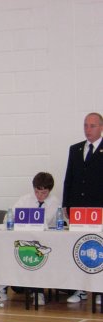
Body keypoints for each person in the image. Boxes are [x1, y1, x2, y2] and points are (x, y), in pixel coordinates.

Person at [0, 172, 60, 306]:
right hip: (24, 240)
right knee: (4, 253)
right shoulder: (25, 199)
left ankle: (38, 292)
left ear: (50, 190)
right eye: (37, 192)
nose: (40, 196)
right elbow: (8, 217)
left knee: (37, 257)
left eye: (44, 193)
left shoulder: (55, 202)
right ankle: (1, 291)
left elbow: (48, 224)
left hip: (44, 242)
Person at [62, 112, 103, 305]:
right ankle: (80, 289)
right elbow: (69, 178)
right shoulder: (75, 149)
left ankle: (100, 290)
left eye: (92, 126)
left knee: (98, 248)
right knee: (78, 247)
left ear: (101, 127)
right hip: (78, 209)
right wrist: (66, 204)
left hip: (99, 209)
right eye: (85, 125)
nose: (88, 129)